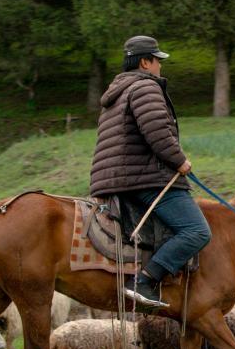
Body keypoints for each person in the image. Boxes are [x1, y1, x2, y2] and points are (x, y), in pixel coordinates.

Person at [89, 35, 211, 309]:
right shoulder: (145, 87)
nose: (160, 66)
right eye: (157, 60)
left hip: (115, 179)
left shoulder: (118, 91)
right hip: (143, 178)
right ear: (145, 62)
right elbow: (157, 132)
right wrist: (179, 161)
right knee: (196, 230)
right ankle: (145, 281)